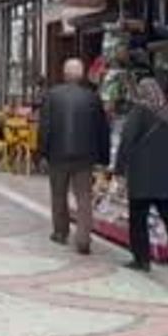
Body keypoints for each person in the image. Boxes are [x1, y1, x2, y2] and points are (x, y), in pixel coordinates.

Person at [115, 77, 168, 276]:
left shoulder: (138, 112)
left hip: (141, 176)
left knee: (138, 219)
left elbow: (126, 142)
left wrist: (119, 170)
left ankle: (142, 260)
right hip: (167, 176)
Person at [39, 58, 111, 255]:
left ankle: (61, 232)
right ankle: (83, 239)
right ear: (81, 75)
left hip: (58, 154)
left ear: (65, 74)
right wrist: (104, 158)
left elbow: (44, 127)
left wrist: (43, 152)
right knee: (84, 197)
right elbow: (102, 130)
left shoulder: (52, 96)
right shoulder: (92, 97)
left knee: (58, 194)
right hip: (85, 157)